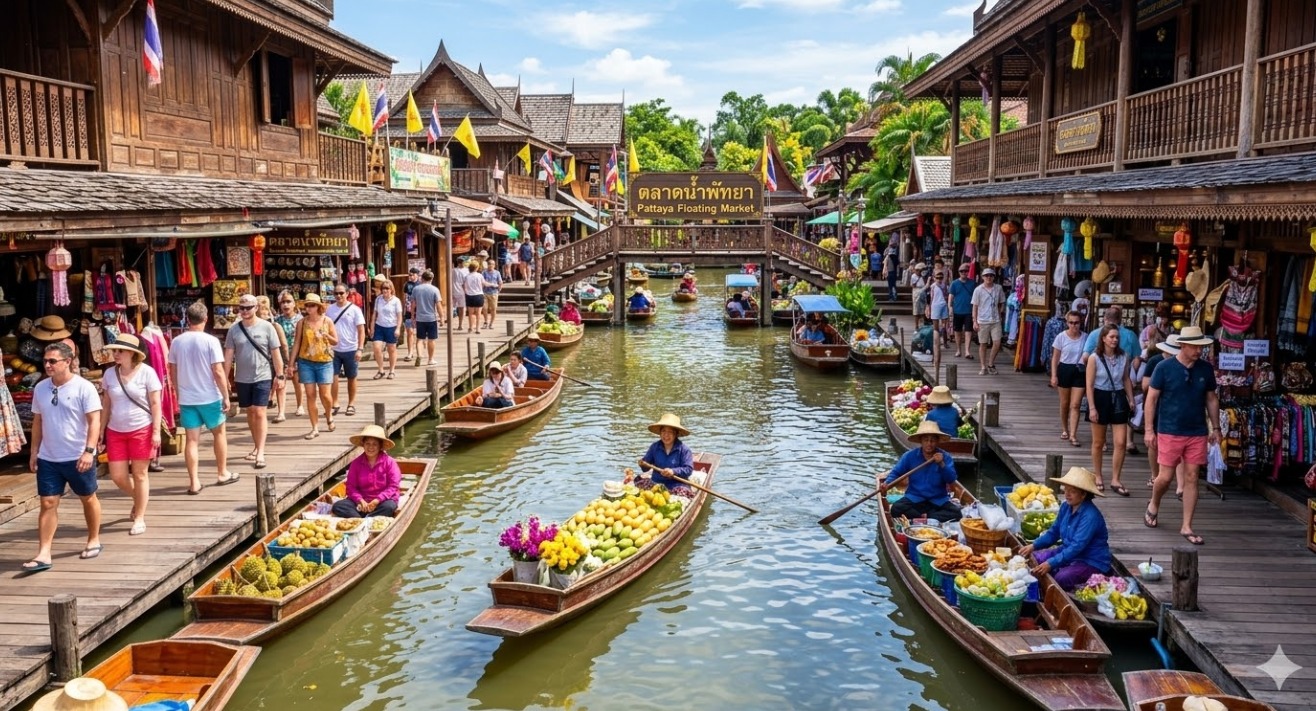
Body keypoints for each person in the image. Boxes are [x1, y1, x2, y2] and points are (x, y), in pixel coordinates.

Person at [22, 342, 103, 572]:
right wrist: (34, 450)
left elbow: (94, 421)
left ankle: (93, 538)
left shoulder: (84, 388)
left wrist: (89, 451)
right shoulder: (41, 388)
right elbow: (38, 420)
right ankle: (44, 552)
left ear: (67, 362)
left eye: (52, 361)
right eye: (45, 361)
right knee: (47, 502)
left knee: (87, 497)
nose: (47, 365)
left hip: (77, 454)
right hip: (49, 456)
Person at [1144, 326, 1219, 546]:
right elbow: (1151, 399)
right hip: (1169, 429)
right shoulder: (1163, 367)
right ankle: (1154, 503)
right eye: (1195, 347)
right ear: (1183, 345)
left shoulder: (1205, 369)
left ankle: (1187, 525)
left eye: (1201, 347)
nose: (1199, 351)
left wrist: (1216, 428)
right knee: (1165, 477)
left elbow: (1212, 399)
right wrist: (1149, 430)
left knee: (1192, 477)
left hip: (1197, 430)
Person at [168, 302, 237, 493]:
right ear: (206, 319)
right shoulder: (210, 341)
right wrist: (226, 395)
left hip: (187, 398)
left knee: (192, 440)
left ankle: (194, 482)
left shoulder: (176, 341)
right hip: (209, 396)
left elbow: (172, 369)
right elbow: (217, 371)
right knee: (219, 433)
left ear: (187, 319)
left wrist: (178, 391)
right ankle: (222, 472)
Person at [100, 335, 162, 537]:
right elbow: (106, 405)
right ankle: (139, 498)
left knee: (140, 474)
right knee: (117, 476)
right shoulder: (109, 374)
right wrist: (100, 431)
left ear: (132, 353)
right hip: (115, 429)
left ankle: (140, 516)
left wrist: (156, 431)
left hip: (141, 428)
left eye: (120, 351)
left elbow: (155, 403)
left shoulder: (147, 373)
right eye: (114, 350)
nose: (115, 354)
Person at [1019, 466, 1111, 591]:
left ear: (1083, 494)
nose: (1067, 494)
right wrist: (1033, 545)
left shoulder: (1090, 516)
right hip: (1069, 552)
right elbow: (1054, 532)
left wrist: (1051, 563)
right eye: (1066, 489)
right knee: (1034, 558)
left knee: (1062, 578)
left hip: (1090, 561)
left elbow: (1077, 547)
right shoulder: (1066, 507)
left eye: (1072, 491)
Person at [226, 293, 284, 470]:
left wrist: (280, 375)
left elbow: (276, 353)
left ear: (256, 308)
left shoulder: (267, 327)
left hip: (263, 375)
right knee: (250, 412)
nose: (244, 311)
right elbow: (228, 356)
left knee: (260, 411)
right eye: (241, 308)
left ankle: (261, 451)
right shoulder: (234, 330)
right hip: (242, 377)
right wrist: (225, 379)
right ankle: (256, 445)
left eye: (248, 307)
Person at [880, 420, 961, 522]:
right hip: (915, 498)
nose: (929, 444)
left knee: (956, 513)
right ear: (921, 441)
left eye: (932, 440)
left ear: (937, 441)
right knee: (896, 509)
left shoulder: (945, 457)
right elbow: (896, 472)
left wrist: (941, 464)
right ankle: (928, 517)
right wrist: (887, 483)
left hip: (937, 500)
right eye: (926, 440)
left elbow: (951, 479)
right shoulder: (910, 456)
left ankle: (925, 517)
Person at [1085, 324, 1133, 496]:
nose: (1114, 340)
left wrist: (1131, 398)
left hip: (1118, 396)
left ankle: (1116, 478)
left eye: (1117, 337)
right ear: (1103, 338)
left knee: (1120, 442)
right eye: (1111, 337)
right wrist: (1091, 407)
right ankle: (1098, 475)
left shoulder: (1123, 356)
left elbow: (1126, 378)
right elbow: (1089, 385)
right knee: (1099, 442)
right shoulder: (1094, 358)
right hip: (1100, 396)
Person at [288, 292, 338, 439]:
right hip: (306, 362)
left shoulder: (327, 321)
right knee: (310, 395)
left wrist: (326, 336)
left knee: (325, 395)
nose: (309, 308)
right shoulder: (301, 323)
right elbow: (297, 343)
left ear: (318, 307)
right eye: (307, 305)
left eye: (312, 305)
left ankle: (328, 415)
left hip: (324, 361)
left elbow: (336, 341)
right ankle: (314, 427)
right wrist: (291, 364)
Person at [1141, 335, 1186, 497]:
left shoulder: (1185, 364)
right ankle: (1155, 475)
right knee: (1154, 442)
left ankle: (1180, 485)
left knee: (1179, 445)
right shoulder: (1156, 362)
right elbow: (1145, 386)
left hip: (1175, 407)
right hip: (1157, 405)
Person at [331, 424, 401, 519]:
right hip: (361, 502)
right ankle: (362, 520)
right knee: (338, 506)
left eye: (374, 444)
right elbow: (350, 487)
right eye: (367, 443)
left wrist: (377, 500)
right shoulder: (356, 463)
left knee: (389, 507)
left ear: (380, 446)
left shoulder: (390, 462)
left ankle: (365, 518)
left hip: (382, 501)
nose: (370, 447)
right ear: (363, 444)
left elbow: (393, 486)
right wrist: (360, 500)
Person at [326, 283, 366, 418]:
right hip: (334, 349)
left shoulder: (355, 310)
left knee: (352, 377)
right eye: (336, 293)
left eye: (341, 293)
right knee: (333, 377)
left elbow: (361, 330)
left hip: (351, 348)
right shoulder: (329, 310)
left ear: (347, 293)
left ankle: (351, 404)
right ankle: (335, 403)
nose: (339, 296)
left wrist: (360, 348)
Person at [1051, 310, 1087, 448]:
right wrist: (1054, 375)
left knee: (1075, 404)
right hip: (1065, 369)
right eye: (1071, 323)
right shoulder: (1061, 337)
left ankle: (1073, 434)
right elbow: (1055, 357)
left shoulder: (1085, 337)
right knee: (1065, 403)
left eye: (1076, 323)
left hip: (1079, 369)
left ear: (1080, 322)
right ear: (1067, 323)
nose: (1074, 326)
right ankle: (1065, 428)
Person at [638, 413, 694, 489]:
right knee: (638, 482)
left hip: (677, 484)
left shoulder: (684, 450)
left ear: (676, 434)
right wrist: (642, 463)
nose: (666, 435)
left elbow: (688, 470)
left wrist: (673, 471)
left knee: (681, 494)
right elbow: (646, 468)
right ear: (660, 433)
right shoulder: (654, 447)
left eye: (670, 432)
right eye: (663, 431)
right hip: (657, 483)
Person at [272, 290, 302, 419]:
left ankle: (300, 405)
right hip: (281, 355)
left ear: (294, 303)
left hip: (298, 354)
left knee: (297, 381)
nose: (286, 305)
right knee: (281, 382)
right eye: (283, 302)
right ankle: (281, 411)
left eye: (288, 301)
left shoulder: (301, 320)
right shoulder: (277, 320)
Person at [971, 268, 1005, 373]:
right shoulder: (978, 290)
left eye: (991, 275)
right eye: (986, 275)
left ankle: (991, 363)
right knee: (983, 343)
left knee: (997, 342)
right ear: (983, 277)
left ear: (994, 277)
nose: (988, 277)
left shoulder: (998, 288)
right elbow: (975, 306)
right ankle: (983, 366)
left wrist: (1000, 313)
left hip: (995, 320)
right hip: (983, 320)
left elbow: (1002, 302)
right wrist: (975, 321)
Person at [369, 276, 403, 379]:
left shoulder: (396, 301)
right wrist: (372, 327)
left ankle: (392, 370)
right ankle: (381, 370)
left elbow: (399, 316)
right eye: (383, 288)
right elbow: (374, 314)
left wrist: (398, 328)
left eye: (387, 288)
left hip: (391, 326)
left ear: (391, 289)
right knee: (376, 347)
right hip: (379, 325)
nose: (385, 290)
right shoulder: (378, 299)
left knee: (391, 349)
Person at [411, 270, 442, 367]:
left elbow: (413, 304)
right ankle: (430, 359)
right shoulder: (435, 290)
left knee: (420, 339)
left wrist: (412, 316)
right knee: (431, 340)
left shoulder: (416, 289)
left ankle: (419, 355)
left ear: (422, 278)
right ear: (431, 279)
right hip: (431, 318)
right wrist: (442, 317)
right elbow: (438, 305)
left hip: (420, 318)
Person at [949, 263, 976, 359]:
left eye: (965, 271)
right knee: (957, 331)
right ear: (959, 272)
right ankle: (958, 349)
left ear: (968, 272)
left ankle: (967, 351)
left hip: (969, 310)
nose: (964, 273)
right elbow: (951, 297)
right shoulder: (954, 283)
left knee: (968, 331)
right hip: (957, 310)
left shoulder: (972, 283)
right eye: (962, 271)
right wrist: (950, 308)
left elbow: (976, 297)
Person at [463, 262, 488, 334]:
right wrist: (493, 285)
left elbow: (464, 286)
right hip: (478, 295)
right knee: (478, 313)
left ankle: (471, 327)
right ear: (476, 268)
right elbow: (484, 284)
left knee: (470, 313)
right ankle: (477, 328)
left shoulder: (467, 276)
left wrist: (466, 291)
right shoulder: (479, 275)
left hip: (469, 295)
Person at [402, 268, 421, 361]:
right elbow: (404, 297)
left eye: (413, 275)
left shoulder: (421, 285)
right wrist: (403, 310)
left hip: (419, 311)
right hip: (409, 311)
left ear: (417, 275)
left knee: (419, 333)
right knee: (410, 332)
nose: (411, 277)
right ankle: (410, 352)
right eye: (410, 275)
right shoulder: (407, 285)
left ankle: (419, 352)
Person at [928, 269, 950, 347]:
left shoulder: (945, 286)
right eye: (937, 278)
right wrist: (929, 308)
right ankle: (936, 341)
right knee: (936, 326)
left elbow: (947, 296)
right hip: (935, 306)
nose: (939, 279)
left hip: (943, 305)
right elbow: (931, 298)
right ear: (934, 278)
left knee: (944, 325)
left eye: (941, 278)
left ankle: (945, 342)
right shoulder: (933, 286)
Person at [482, 259, 503, 329]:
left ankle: (491, 323)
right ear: (487, 265)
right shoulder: (484, 272)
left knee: (493, 309)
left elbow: (500, 282)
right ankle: (485, 322)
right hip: (485, 292)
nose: (491, 265)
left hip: (494, 293)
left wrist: (499, 289)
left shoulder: (497, 273)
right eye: (490, 264)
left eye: (492, 264)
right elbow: (483, 282)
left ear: (494, 265)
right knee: (484, 308)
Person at [450, 257, 468, 330]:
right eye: (463, 262)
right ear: (459, 263)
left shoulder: (466, 270)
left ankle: (460, 325)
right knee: (453, 309)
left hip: (460, 292)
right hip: (457, 291)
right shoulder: (454, 270)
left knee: (461, 308)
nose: (464, 263)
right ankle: (452, 324)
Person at [910, 262, 929, 329]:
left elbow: (927, 283)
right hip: (916, 291)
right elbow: (913, 285)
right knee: (916, 309)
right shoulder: (913, 276)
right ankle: (916, 325)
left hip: (923, 290)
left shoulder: (925, 275)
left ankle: (924, 323)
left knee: (924, 308)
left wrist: (923, 276)